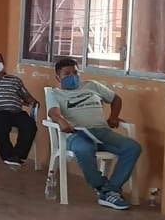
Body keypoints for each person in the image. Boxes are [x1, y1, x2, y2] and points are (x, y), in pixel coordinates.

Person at [46, 58, 141, 211]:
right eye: (67, 74)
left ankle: (110, 190)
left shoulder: (92, 85)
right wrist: (61, 121)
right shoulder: (55, 93)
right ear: (58, 78)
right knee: (84, 149)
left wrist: (114, 116)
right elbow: (53, 112)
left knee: (132, 147)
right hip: (77, 134)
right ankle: (102, 188)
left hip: (102, 132)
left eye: (75, 72)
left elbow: (116, 99)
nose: (73, 76)